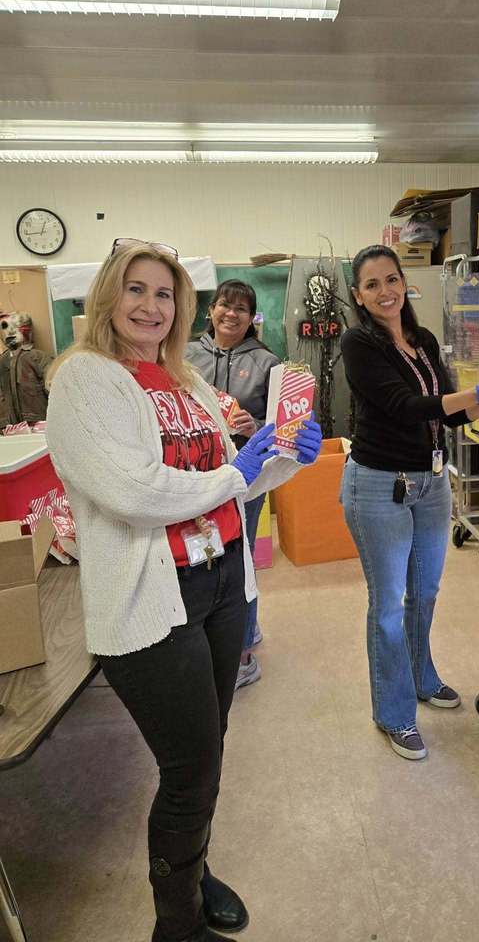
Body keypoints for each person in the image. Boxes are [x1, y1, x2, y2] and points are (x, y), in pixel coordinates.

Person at [45, 239, 322, 942]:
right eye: (135, 290)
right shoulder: (85, 380)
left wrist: (283, 457)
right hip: (152, 598)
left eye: (164, 294)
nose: (150, 305)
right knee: (189, 763)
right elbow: (133, 491)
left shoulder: (187, 381)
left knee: (210, 744)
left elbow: (230, 477)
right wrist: (238, 474)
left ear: (180, 307)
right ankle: (177, 928)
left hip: (223, 579)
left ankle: (192, 872)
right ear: (108, 296)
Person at [340, 244, 479, 761]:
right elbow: (405, 408)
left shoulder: (422, 340)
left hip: (430, 482)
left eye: (392, 280)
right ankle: (394, 712)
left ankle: (423, 678)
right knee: (386, 606)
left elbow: (445, 417)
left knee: (423, 592)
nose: (385, 292)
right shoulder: (358, 344)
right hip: (378, 485)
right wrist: (475, 395)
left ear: (405, 284)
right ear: (359, 295)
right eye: (373, 285)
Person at [187, 279, 280, 688]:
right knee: (203, 555)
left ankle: (241, 653)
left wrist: (254, 424)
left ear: (251, 318)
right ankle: (227, 633)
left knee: (238, 557)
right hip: (193, 473)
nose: (231, 314)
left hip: (247, 475)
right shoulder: (183, 354)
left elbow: (284, 427)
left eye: (242, 309)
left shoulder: (267, 361)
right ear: (211, 310)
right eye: (225, 305)